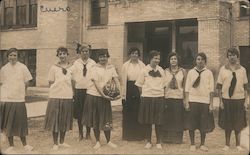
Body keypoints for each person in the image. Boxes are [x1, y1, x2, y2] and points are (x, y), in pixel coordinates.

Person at [82, 49, 121, 149]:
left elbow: (116, 80)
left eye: (104, 56)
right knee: (96, 118)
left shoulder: (111, 67)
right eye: (100, 57)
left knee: (106, 119)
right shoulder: (93, 68)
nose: (103, 58)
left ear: (107, 57)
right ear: (98, 58)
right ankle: (98, 141)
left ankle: (108, 141)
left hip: (105, 97)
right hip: (94, 96)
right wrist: (104, 95)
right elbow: (95, 84)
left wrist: (119, 93)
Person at [0, 48, 33, 153]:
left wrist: (22, 92)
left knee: (21, 122)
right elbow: (2, 84)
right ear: (7, 56)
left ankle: (25, 145)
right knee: (9, 123)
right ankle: (11, 145)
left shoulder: (23, 67)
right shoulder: (4, 69)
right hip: (8, 99)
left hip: (19, 100)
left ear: (17, 56)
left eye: (14, 55)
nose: (12, 57)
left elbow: (27, 82)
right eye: (10, 55)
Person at [217, 47, 248, 151]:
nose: (232, 57)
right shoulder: (223, 69)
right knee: (228, 123)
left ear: (237, 56)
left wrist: (245, 101)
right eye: (230, 55)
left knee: (238, 123)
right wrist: (221, 101)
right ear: (227, 57)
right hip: (227, 100)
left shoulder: (242, 70)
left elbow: (246, 87)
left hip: (239, 100)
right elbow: (219, 87)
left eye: (234, 55)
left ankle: (238, 144)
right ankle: (227, 144)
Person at [44, 47, 74, 151]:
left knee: (64, 120)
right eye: (60, 54)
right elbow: (50, 82)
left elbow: (73, 82)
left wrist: (72, 93)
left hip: (67, 96)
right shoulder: (53, 68)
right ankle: (55, 143)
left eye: (64, 53)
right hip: (55, 96)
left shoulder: (72, 67)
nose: (62, 56)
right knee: (55, 120)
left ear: (67, 54)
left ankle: (62, 141)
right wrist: (54, 91)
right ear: (58, 55)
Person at [184, 52, 215, 152]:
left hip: (204, 101)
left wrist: (211, 103)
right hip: (193, 100)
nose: (200, 61)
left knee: (203, 124)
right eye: (198, 59)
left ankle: (202, 144)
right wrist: (187, 101)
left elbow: (211, 90)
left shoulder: (209, 73)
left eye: (202, 59)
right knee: (191, 123)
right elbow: (187, 88)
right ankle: (192, 143)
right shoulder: (191, 72)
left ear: (205, 61)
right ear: (195, 61)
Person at [135, 50, 166, 149]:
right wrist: (144, 94)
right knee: (148, 120)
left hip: (159, 97)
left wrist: (160, 94)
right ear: (150, 59)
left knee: (158, 121)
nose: (157, 60)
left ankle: (158, 142)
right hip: (147, 97)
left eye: (158, 58)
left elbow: (164, 85)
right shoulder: (144, 70)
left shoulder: (161, 70)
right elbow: (139, 85)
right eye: (155, 58)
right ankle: (148, 141)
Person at [71, 43, 96, 141]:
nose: (85, 53)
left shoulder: (93, 63)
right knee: (80, 113)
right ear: (80, 53)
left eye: (87, 51)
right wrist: (73, 91)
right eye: (83, 51)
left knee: (89, 112)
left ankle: (88, 133)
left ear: (89, 53)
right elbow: (72, 78)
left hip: (89, 90)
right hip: (79, 90)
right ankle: (81, 133)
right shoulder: (76, 63)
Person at [121, 47, 146, 141]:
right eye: (132, 53)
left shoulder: (142, 65)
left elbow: (144, 79)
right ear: (129, 54)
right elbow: (123, 81)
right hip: (129, 89)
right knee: (128, 112)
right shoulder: (125, 65)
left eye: (136, 53)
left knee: (138, 111)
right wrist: (123, 95)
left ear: (138, 55)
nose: (134, 55)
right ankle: (128, 135)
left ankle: (139, 135)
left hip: (139, 89)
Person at [162, 52, 187, 144]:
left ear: (178, 60)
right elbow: (163, 86)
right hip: (168, 96)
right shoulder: (165, 71)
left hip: (178, 97)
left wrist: (185, 99)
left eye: (175, 59)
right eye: (171, 59)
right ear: (169, 61)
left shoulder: (183, 71)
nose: (173, 61)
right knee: (168, 118)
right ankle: (166, 138)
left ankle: (177, 139)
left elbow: (185, 86)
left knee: (178, 118)